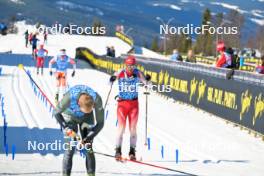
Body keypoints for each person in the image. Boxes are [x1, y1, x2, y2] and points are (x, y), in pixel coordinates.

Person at [53, 85, 104, 176]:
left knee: (88, 147)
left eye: (90, 110)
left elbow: (100, 123)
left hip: (87, 118)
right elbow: (56, 112)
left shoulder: (96, 99)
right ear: (78, 104)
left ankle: (91, 174)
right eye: (85, 111)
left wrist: (89, 137)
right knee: (70, 147)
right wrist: (66, 127)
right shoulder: (69, 97)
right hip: (70, 115)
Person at [109, 55, 151, 161]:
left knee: (133, 129)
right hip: (122, 104)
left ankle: (132, 152)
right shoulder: (120, 72)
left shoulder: (138, 73)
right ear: (125, 65)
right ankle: (118, 151)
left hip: (134, 105)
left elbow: (148, 85)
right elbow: (109, 82)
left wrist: (148, 80)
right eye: (128, 66)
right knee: (121, 128)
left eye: (132, 66)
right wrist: (112, 79)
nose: (130, 68)